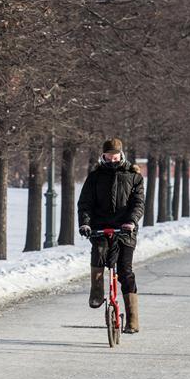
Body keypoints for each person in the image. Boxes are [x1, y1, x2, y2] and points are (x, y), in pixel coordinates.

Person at [77, 138, 145, 333]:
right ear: (103, 156)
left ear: (121, 155)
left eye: (116, 157)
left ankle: (132, 320)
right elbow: (85, 204)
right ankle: (97, 292)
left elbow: (138, 203)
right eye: (109, 157)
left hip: (125, 230)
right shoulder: (95, 176)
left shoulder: (133, 176)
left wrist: (131, 221)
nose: (112, 160)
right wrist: (85, 223)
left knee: (125, 271)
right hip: (100, 227)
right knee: (98, 251)